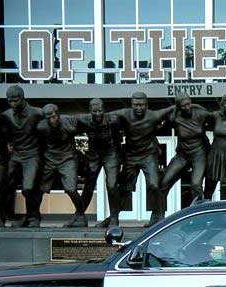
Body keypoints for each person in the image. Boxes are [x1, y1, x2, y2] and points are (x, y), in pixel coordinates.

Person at [113, 92, 175, 227]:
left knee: (154, 185)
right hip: (131, 156)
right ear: (131, 105)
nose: (138, 108)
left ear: (147, 105)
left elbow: (172, 108)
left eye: (141, 105)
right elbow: (106, 116)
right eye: (135, 105)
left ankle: (158, 215)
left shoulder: (154, 115)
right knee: (124, 188)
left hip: (148, 155)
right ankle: (113, 217)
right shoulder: (125, 113)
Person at [36, 104, 87, 227]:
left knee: (71, 189)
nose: (51, 120)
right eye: (48, 118)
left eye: (53, 117)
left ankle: (80, 214)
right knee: (39, 190)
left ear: (58, 114)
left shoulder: (69, 123)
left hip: (68, 158)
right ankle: (33, 216)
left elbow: (87, 122)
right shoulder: (41, 127)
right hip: (50, 159)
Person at [76, 98, 122, 228]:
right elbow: (68, 124)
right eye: (94, 111)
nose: (97, 114)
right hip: (94, 154)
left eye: (100, 111)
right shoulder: (84, 120)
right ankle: (79, 215)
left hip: (111, 153)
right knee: (89, 184)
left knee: (112, 184)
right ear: (90, 111)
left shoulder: (113, 120)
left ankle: (114, 217)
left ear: (104, 110)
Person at [3, 86, 44, 228]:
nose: (12, 104)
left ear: (22, 98)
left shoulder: (37, 113)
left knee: (28, 188)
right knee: (2, 184)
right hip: (16, 154)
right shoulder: (6, 115)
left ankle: (33, 217)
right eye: (9, 101)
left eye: (15, 100)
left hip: (32, 154)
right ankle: (2, 216)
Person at [160, 92, 212, 205]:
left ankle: (199, 214)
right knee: (164, 182)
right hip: (182, 155)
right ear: (178, 106)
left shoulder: (200, 113)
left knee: (196, 185)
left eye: (189, 104)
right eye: (183, 105)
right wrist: (174, 110)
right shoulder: (175, 117)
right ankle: (158, 215)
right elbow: (163, 125)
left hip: (199, 154)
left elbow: (216, 120)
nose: (187, 107)